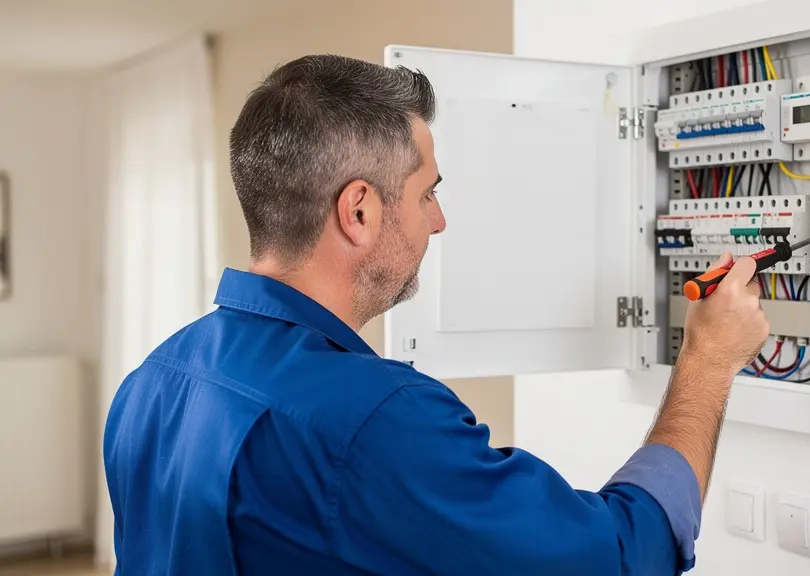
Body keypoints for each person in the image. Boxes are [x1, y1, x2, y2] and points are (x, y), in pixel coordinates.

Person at [103, 55, 769, 575]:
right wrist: (708, 359)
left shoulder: (151, 382)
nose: (440, 221)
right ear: (358, 211)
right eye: (428, 193)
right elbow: (620, 559)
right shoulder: (374, 423)